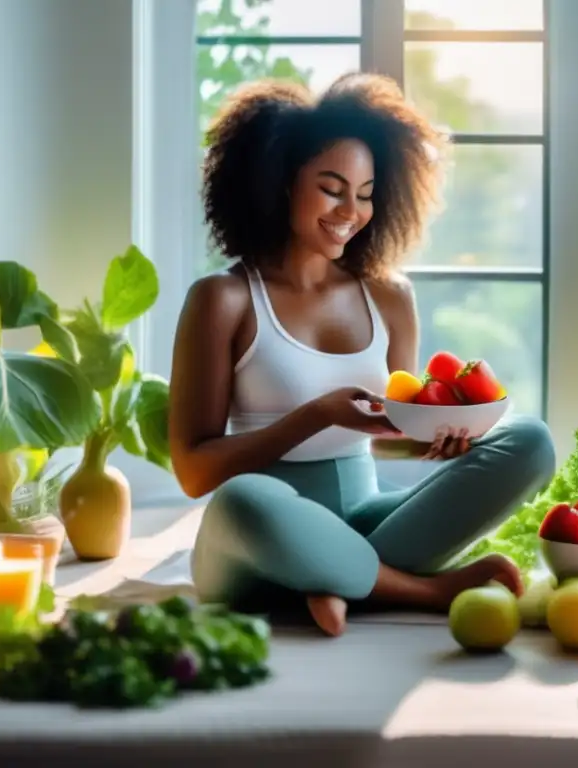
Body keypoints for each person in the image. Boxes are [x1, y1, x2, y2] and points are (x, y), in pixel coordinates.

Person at [168, 72, 557, 638]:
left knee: (531, 442)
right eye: (332, 187)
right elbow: (193, 471)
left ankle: (334, 581)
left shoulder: (390, 296)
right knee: (245, 500)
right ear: (280, 183)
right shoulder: (222, 299)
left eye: (367, 193)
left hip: (360, 522)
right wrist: (316, 414)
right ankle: (423, 590)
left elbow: (391, 436)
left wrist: (440, 440)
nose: (351, 210)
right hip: (256, 539)